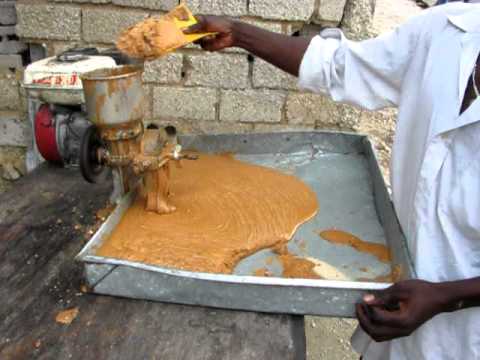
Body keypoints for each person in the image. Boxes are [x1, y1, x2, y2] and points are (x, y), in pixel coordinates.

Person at [185, 2, 480, 360]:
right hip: (395, 317)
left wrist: (446, 297)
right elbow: (343, 66)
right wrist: (239, 32)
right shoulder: (448, 30)